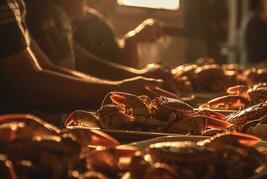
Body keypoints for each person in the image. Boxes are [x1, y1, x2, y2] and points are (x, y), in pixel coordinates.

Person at [0, 0, 165, 113]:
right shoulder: (42, 14)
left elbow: (47, 67)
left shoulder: (20, 6)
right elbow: (28, 83)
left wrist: (133, 80)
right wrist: (119, 92)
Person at [25, 0, 179, 92]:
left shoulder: (86, 20)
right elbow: (38, 77)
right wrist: (121, 87)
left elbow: (87, 60)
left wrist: (140, 75)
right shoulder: (42, 14)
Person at [240, 0, 267, 65]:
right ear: (258, 5)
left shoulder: (247, 20)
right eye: (263, 3)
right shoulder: (259, 22)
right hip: (259, 63)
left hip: (248, 60)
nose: (264, 6)